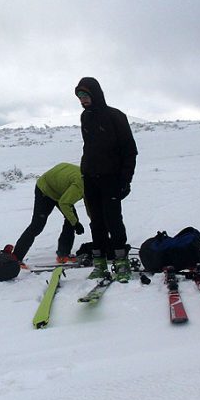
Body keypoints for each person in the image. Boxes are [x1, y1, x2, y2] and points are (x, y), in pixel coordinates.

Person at [75, 77, 138, 280]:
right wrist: (85, 171)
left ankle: (121, 262)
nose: (83, 100)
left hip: (111, 178)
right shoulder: (85, 117)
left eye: (85, 95)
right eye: (79, 96)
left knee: (113, 221)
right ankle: (99, 263)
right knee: (96, 222)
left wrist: (125, 179)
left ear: (95, 94)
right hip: (90, 178)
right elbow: (89, 147)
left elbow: (130, 150)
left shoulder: (115, 116)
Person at [9, 162, 86, 266]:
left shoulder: (87, 179)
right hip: (44, 190)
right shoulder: (80, 184)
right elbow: (64, 203)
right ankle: (16, 257)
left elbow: (88, 203)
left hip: (60, 190)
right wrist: (76, 224)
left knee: (71, 219)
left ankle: (63, 254)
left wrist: (94, 220)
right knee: (37, 225)